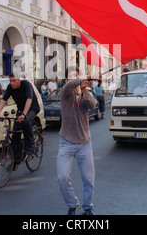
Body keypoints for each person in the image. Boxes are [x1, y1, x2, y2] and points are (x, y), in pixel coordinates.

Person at [57, 67, 96, 215]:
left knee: (88, 179)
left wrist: (85, 90)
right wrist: (83, 78)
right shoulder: (65, 93)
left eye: (76, 76)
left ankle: (88, 207)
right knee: (62, 177)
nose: (73, 79)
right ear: (67, 79)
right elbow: (69, 86)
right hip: (66, 142)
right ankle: (73, 204)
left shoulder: (86, 94)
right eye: (71, 77)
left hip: (84, 143)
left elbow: (92, 105)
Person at [0, 73, 40, 166]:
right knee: (15, 135)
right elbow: (3, 100)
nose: (12, 83)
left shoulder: (26, 84)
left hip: (32, 108)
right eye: (10, 81)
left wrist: (24, 114)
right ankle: (16, 160)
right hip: (20, 110)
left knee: (25, 121)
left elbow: (29, 99)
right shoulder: (10, 87)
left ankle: (31, 145)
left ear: (19, 80)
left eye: (14, 80)